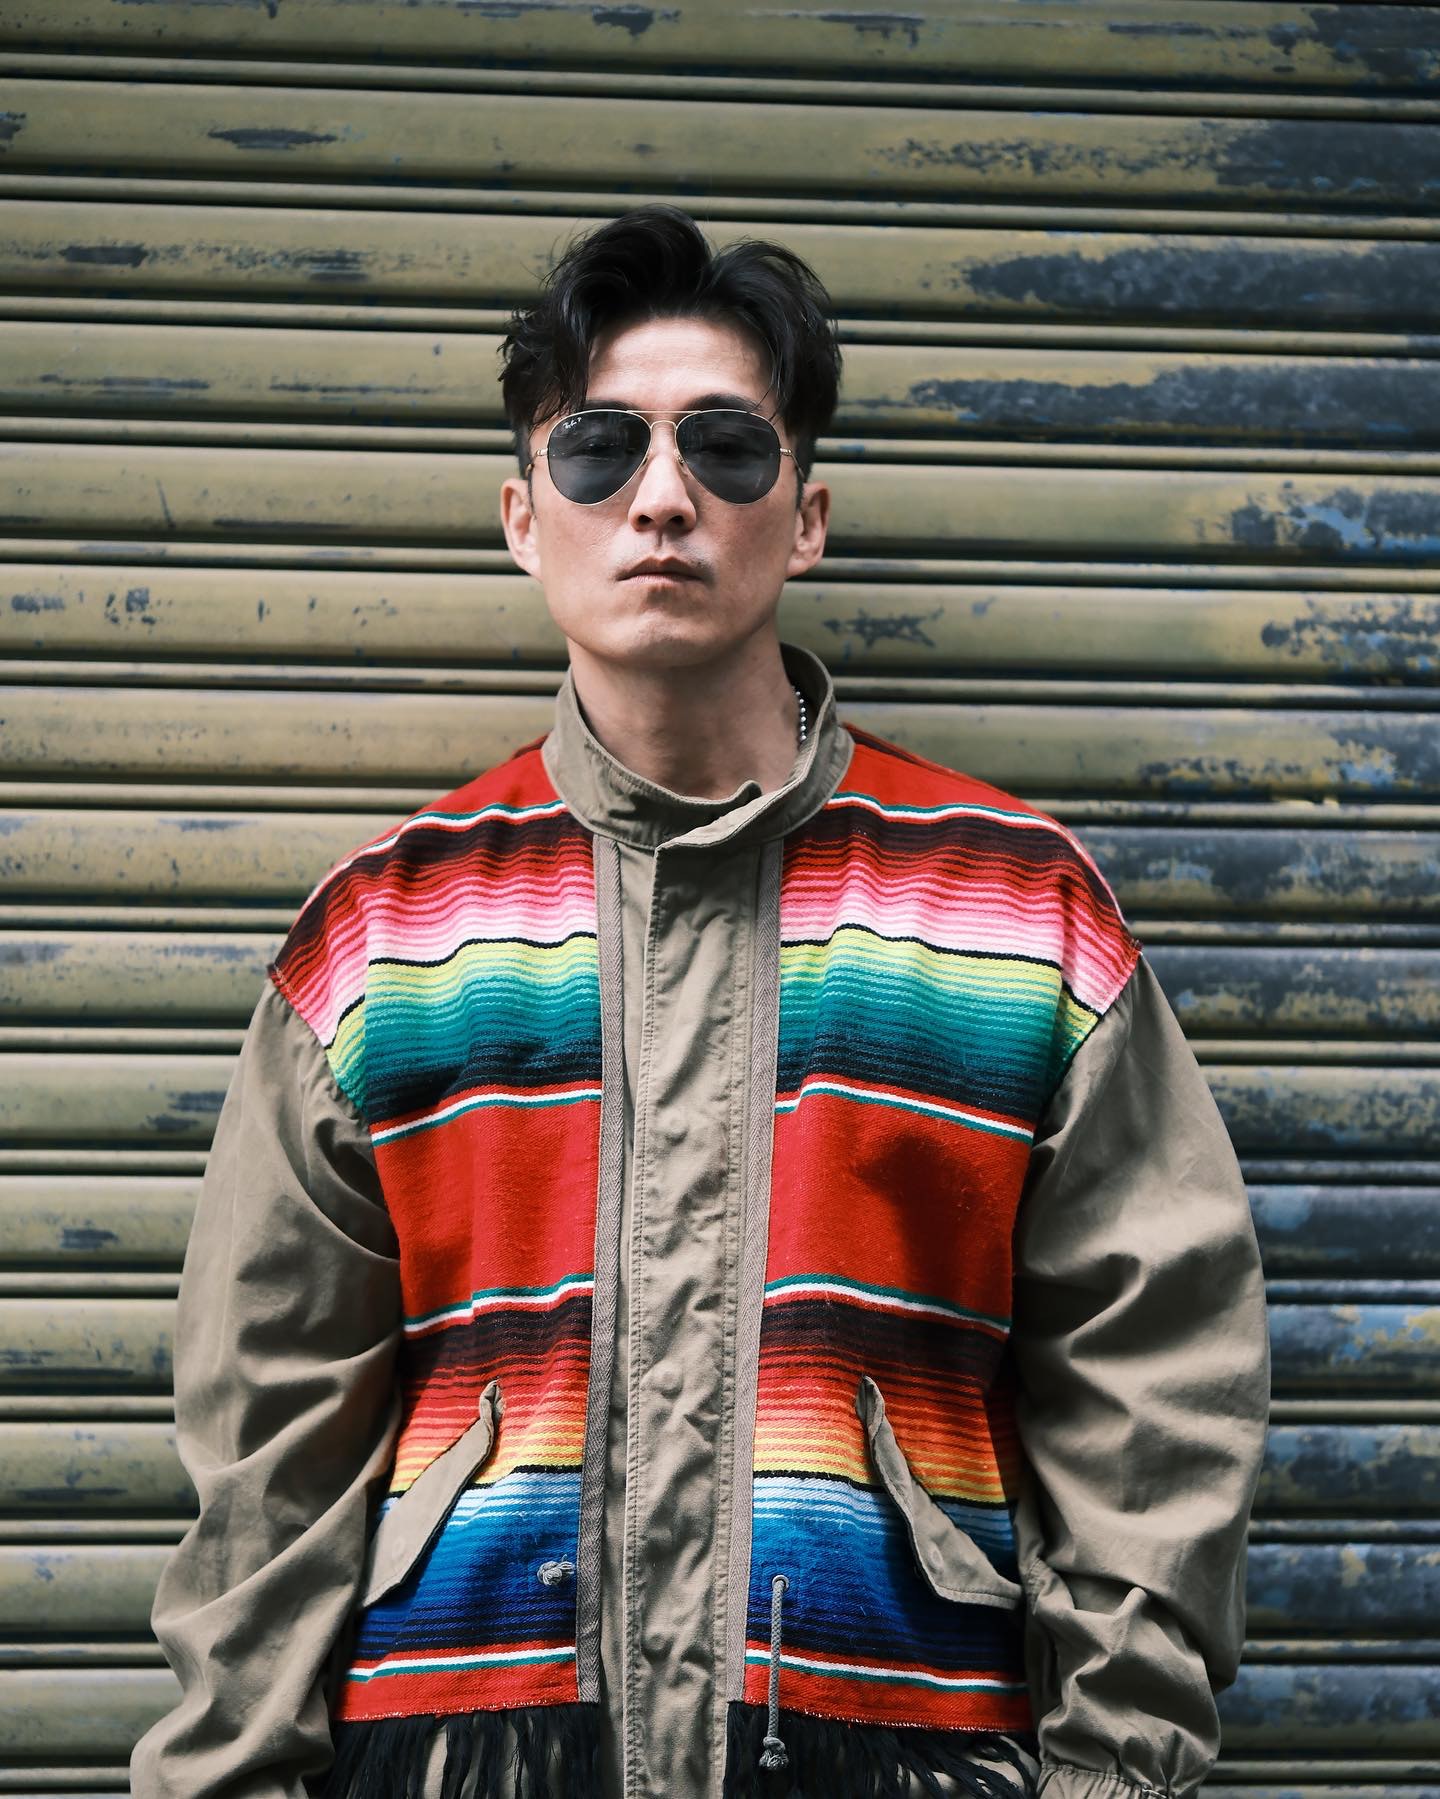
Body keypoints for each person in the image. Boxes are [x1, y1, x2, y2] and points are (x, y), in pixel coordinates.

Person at [131, 205, 1269, 1799]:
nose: (663, 497)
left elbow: (1156, 1384)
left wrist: (1113, 1777)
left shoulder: (1010, 909)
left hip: (894, 1756)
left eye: (726, 449)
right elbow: (269, 1444)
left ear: (805, 519)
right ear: (523, 516)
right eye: (601, 449)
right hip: (474, 1762)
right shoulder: (390, 934)